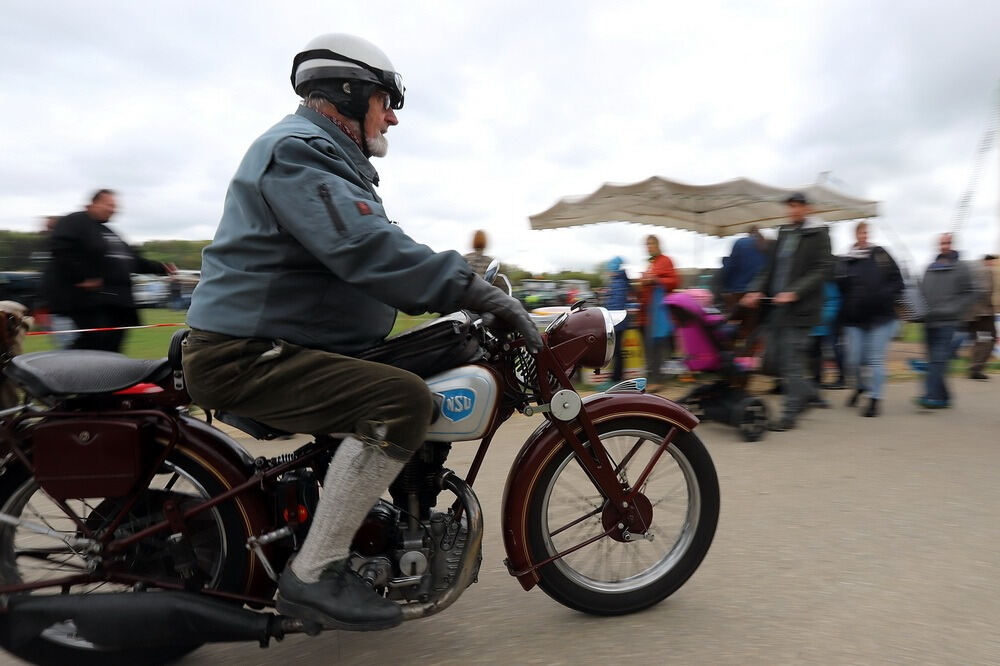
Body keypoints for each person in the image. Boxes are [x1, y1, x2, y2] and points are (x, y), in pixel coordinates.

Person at [181, 34, 541, 631]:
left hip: (272, 345)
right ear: (347, 94)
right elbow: (366, 247)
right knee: (402, 401)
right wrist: (471, 288)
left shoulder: (323, 160)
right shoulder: (297, 152)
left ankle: (366, 528)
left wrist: (456, 287)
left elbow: (378, 245)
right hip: (246, 355)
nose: (392, 117)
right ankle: (315, 573)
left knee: (405, 372)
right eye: (385, 101)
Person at [740, 192, 833, 431]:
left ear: (808, 208)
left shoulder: (819, 234)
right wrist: (755, 290)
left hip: (801, 309)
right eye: (790, 206)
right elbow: (768, 270)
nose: (793, 210)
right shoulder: (783, 233)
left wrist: (795, 292)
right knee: (775, 360)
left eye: (798, 206)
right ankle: (809, 393)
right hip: (777, 307)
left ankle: (789, 415)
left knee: (791, 362)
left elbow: (822, 269)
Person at [43, 190, 174, 352]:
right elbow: (61, 249)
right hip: (86, 306)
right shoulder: (74, 221)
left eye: (114, 206)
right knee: (88, 352)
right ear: (94, 203)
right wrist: (82, 277)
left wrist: (161, 268)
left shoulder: (109, 232)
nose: (113, 209)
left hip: (115, 309)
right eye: (109, 205)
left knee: (111, 352)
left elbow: (133, 261)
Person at [836, 221, 903, 417]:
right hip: (854, 319)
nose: (863, 236)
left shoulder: (881, 254)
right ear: (855, 235)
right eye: (860, 233)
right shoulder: (847, 260)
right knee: (853, 360)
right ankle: (860, 387)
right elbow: (841, 289)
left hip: (880, 317)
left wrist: (884, 295)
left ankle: (875, 399)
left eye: (866, 232)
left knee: (875, 359)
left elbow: (898, 281)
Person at [916, 233, 975, 408]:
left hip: (948, 321)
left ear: (952, 244)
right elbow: (923, 292)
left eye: (947, 243)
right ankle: (945, 396)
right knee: (934, 360)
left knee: (938, 359)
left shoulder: (962, 267)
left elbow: (971, 292)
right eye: (942, 243)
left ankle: (931, 396)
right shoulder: (930, 267)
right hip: (929, 321)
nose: (944, 246)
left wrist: (955, 309)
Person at [637, 235, 678, 391]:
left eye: (652, 244)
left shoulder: (665, 261)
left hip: (658, 311)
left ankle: (657, 380)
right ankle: (652, 378)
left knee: (656, 346)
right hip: (648, 311)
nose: (649, 247)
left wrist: (655, 280)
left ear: (658, 245)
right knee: (649, 347)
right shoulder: (651, 263)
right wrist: (643, 282)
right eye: (647, 244)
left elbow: (674, 281)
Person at [599, 256, 632, 389]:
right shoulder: (618, 281)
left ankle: (616, 379)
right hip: (618, 320)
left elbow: (615, 305)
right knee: (616, 351)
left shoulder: (618, 282)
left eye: (609, 269)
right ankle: (616, 377)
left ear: (613, 269)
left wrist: (608, 319)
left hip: (617, 321)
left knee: (616, 351)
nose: (607, 272)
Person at [806, 281, 840, 408]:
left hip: (817, 328)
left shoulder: (824, 280)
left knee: (815, 361)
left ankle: (815, 393)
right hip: (798, 326)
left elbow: (833, 301)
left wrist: (822, 318)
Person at [967, 254, 996, 380]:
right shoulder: (986, 271)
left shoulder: (974, 272)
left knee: (980, 340)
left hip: (973, 314)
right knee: (989, 339)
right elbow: (986, 291)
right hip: (984, 314)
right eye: (991, 261)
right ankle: (977, 367)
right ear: (986, 261)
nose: (992, 264)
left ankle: (975, 367)